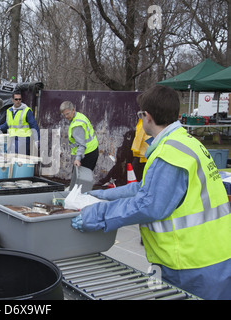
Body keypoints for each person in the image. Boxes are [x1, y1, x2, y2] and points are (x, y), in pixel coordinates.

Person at [71, 85, 231, 300]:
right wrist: (98, 196)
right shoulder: (185, 142)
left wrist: (96, 215)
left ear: (146, 116)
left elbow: (150, 205)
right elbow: (145, 188)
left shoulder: (169, 153)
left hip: (192, 262)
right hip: (213, 252)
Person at [60, 101, 99, 171]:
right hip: (92, 150)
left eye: (67, 114)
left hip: (87, 154)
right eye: (64, 115)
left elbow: (81, 144)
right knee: (83, 178)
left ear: (73, 110)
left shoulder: (77, 125)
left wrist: (78, 159)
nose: (66, 116)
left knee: (79, 179)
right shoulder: (79, 116)